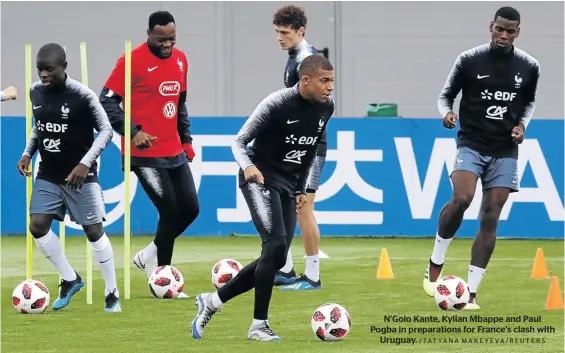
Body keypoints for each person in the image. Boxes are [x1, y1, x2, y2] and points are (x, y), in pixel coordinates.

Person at [190, 55, 335, 341]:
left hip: (289, 184)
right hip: (259, 177)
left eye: (332, 81)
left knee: (277, 256)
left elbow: (309, 149)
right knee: (276, 245)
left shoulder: (326, 107)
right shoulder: (276, 103)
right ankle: (258, 326)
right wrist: (249, 167)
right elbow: (238, 142)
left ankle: (212, 302)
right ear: (305, 80)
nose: (330, 87)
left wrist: (300, 189)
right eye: (324, 81)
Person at [423, 6, 540, 310]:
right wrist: (447, 113)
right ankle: (437, 257)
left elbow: (528, 104)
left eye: (510, 31)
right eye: (499, 29)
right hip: (471, 143)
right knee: (463, 198)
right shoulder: (469, 59)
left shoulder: (529, 66)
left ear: (518, 32)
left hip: (505, 149)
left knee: (491, 215)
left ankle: (471, 292)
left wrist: (522, 126)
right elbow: (445, 95)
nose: (504, 35)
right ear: (491, 26)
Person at [100, 11, 198, 299]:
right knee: (169, 210)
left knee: (191, 209)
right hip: (143, 152)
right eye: (161, 39)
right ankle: (164, 278)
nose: (167, 44)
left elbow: (180, 105)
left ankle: (148, 255)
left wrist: (187, 140)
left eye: (172, 39)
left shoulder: (181, 59)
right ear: (149, 35)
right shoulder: (130, 61)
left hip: (174, 150)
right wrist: (132, 132)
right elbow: (107, 101)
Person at [17, 43, 120, 312]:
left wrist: (85, 164)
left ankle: (112, 292)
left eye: (49, 69)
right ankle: (70, 278)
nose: (43, 75)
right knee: (37, 226)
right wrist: (28, 153)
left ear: (63, 67)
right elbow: (39, 127)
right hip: (49, 172)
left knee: (94, 232)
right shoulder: (34, 91)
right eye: (40, 70)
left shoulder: (83, 95)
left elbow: (107, 131)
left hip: (80, 176)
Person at [272, 4, 326, 290]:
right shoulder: (296, 56)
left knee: (303, 208)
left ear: (300, 31)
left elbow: (317, 106)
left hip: (308, 146)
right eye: (277, 32)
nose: (279, 38)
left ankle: (313, 276)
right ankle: (287, 269)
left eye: (284, 33)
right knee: (287, 206)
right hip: (293, 144)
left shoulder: (309, 60)